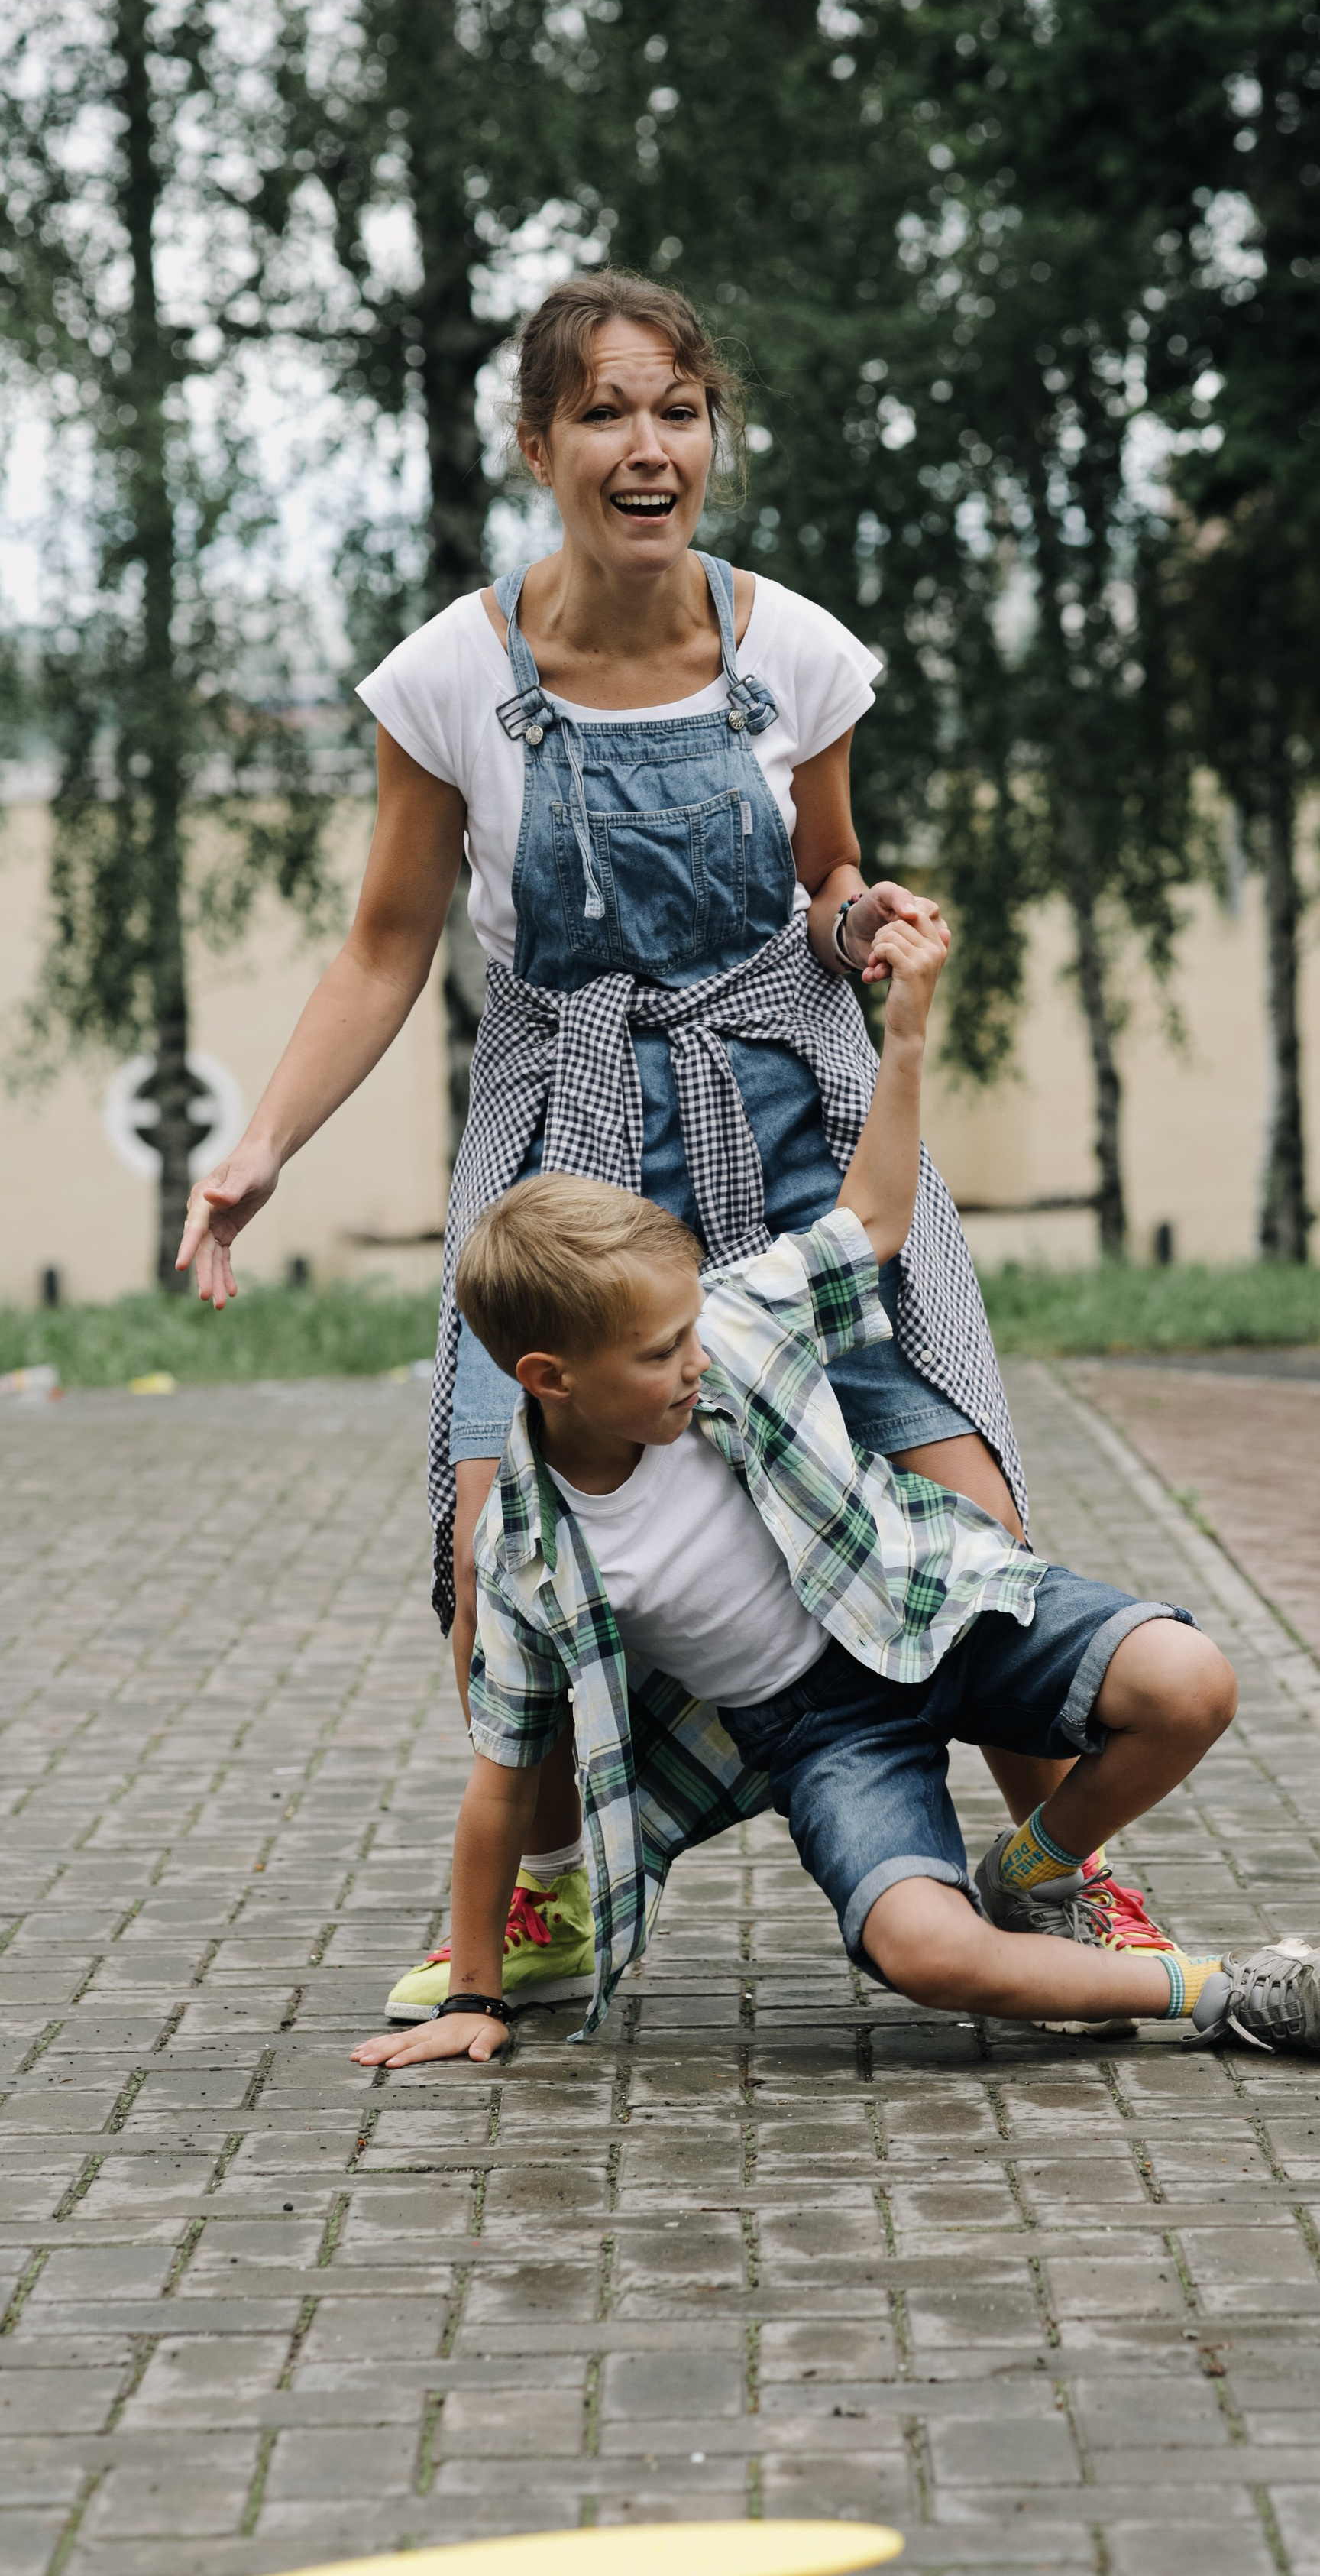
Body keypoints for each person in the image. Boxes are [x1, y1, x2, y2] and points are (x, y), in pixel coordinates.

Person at [174, 267, 1177, 2015]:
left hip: (794, 1114)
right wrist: (258, 1145)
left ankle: (1067, 1880)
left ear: (710, 429)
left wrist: (865, 925)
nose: (648, 447)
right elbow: (388, 943)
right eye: (605, 414)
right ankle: (545, 1898)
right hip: (563, 1137)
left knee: (955, 1489)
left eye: (677, 411)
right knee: (495, 1539)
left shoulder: (789, 646)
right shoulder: (448, 677)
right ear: (537, 441)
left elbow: (825, 871)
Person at [351, 903, 1320, 2069]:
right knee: (925, 1955)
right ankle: (1229, 1992)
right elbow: (500, 1783)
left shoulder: (727, 1324)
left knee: (1191, 1683)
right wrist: (473, 2000)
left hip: (933, 1604)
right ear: (551, 1378)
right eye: (657, 1355)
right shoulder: (529, 1553)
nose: (693, 1361)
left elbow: (874, 1220)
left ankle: (1031, 1872)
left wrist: (909, 1031)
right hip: (822, 1733)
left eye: (689, 1332)